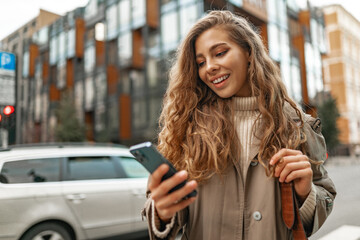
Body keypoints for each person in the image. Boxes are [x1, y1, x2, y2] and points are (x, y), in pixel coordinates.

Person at [142, 10, 336, 240]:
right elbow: (169, 216)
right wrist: (162, 214)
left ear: (248, 52)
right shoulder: (187, 127)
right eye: (201, 62)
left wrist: (307, 194)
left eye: (220, 53)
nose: (209, 67)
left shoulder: (297, 123)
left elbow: (323, 195)